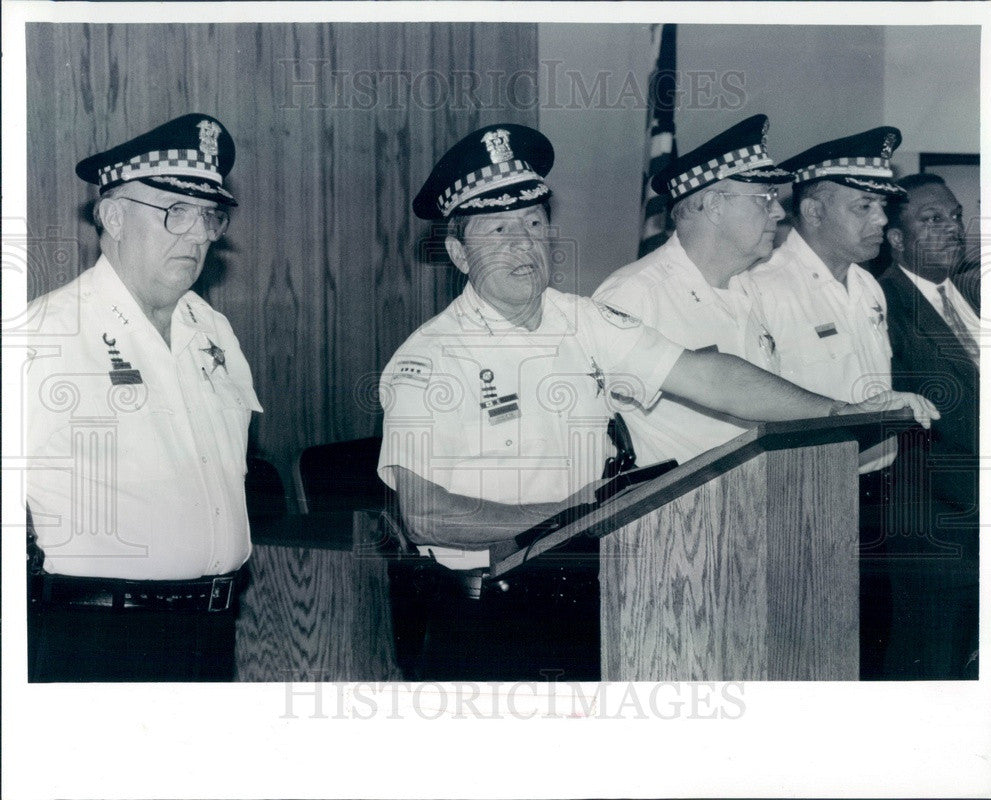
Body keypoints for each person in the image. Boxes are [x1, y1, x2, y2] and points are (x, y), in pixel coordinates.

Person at [376, 123, 938, 680]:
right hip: (485, 612)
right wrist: (567, 519)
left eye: (533, 223)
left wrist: (838, 413)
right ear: (457, 253)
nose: (523, 246)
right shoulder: (429, 360)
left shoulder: (582, 318)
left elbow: (707, 375)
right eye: (498, 230)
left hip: (582, 582)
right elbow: (425, 515)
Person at [25, 114, 262, 682]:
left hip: (213, 630)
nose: (199, 233)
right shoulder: (45, 334)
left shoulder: (214, 331)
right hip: (101, 639)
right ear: (112, 216)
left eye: (210, 216)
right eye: (174, 212)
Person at [733, 126, 907, 677]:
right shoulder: (761, 287)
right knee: (808, 654)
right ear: (812, 209)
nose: (881, 220)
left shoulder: (866, 285)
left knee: (871, 648)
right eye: (864, 205)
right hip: (802, 499)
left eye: (881, 205)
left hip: (879, 493)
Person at [594, 114, 792, 465]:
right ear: (714, 205)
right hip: (678, 513)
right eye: (765, 197)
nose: (777, 211)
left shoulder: (752, 287)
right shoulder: (635, 295)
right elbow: (597, 428)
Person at [879, 172, 979, 678]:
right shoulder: (882, 304)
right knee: (931, 672)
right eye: (933, 219)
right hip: (940, 531)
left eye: (956, 216)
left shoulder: (974, 296)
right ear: (896, 239)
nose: (953, 228)